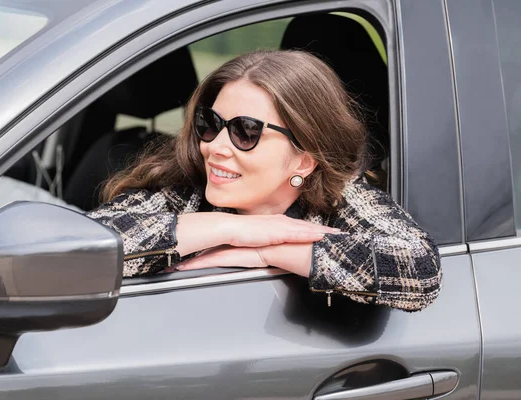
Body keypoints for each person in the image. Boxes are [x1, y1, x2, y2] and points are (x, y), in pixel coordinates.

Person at [86, 50, 442, 312]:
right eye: (210, 123)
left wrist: (264, 250)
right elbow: (84, 248)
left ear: (304, 157)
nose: (215, 146)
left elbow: (419, 270)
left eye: (245, 131)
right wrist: (227, 229)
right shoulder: (181, 192)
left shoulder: (343, 199)